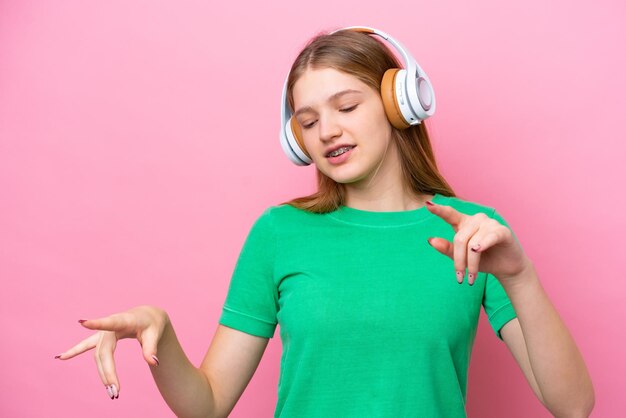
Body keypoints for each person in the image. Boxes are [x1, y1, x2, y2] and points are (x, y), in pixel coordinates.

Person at [57, 26, 595, 417]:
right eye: (308, 121)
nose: (328, 131)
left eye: (347, 106)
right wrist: (162, 334)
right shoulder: (279, 234)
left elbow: (573, 407)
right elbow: (208, 404)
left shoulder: (476, 233)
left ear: (399, 102)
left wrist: (518, 277)